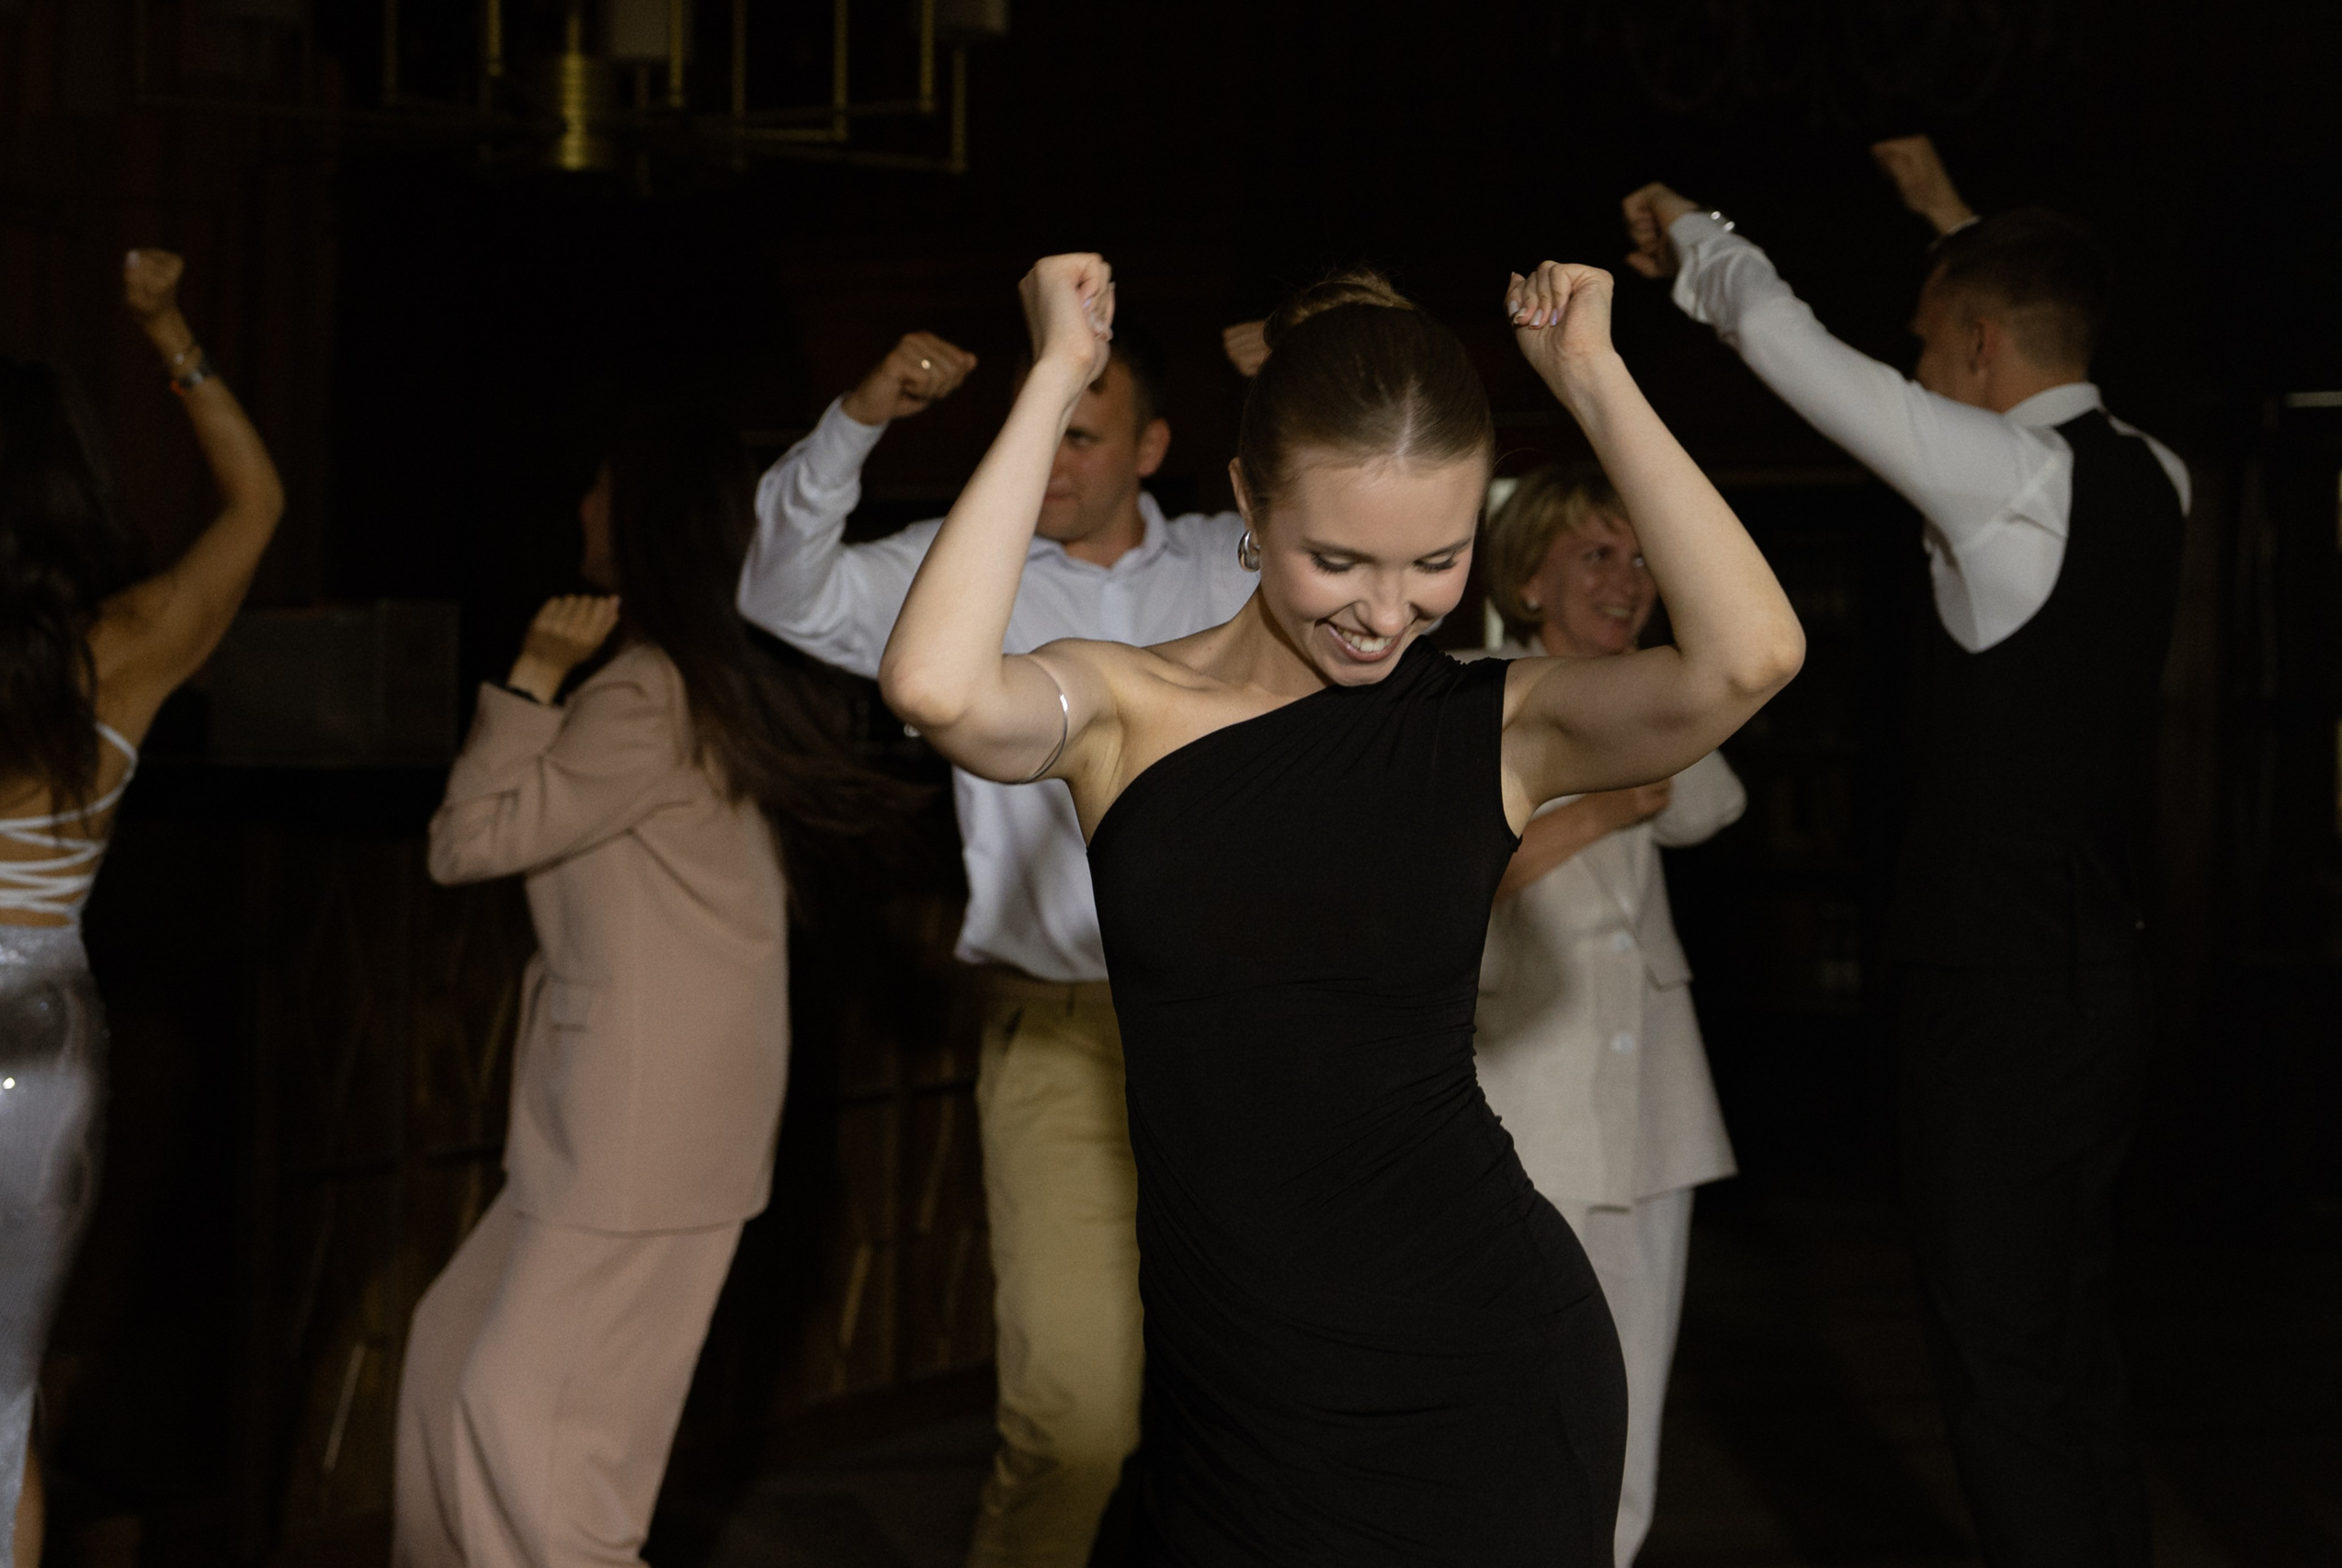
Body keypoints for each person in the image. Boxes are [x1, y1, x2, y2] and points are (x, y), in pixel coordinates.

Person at [878, 253, 1803, 1563]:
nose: (1385, 612)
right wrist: (1053, 379)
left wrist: (1594, 379)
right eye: (1337, 559)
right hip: (1235, 1389)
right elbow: (933, 684)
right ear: (1249, 501)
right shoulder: (1125, 706)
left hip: (1482, 1363)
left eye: (1436, 560)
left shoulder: (1497, 725)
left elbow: (1750, 656)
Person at [1621, 137, 2188, 1568]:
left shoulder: (2006, 475)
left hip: (1994, 994)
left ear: (1985, 347)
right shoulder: (2156, 475)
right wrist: (1952, 223)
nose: (1921, 372)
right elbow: (2036, 290)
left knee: (1997, 1364)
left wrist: (1699, 232)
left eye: (1934, 344)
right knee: (2067, 1345)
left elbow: (1778, 335)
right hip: (2100, 976)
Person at [738, 324, 1256, 1565]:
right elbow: (780, 585)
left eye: (1083, 432)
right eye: (1041, 429)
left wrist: (1305, 357)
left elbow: (1360, 540)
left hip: (1243, 1045)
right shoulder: (966, 576)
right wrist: (861, 413)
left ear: (1153, 448)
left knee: (1256, 1409)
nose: (1053, 458)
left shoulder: (1232, 570)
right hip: (1059, 1037)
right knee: (1072, 1417)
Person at [395, 411, 913, 1568]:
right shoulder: (684, 683)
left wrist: (529, 675)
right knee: (448, 1356)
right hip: (621, 1118)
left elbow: (464, 839)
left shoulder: (641, 697)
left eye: (598, 488)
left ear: (644, 519)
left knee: (538, 1447)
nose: (581, 506)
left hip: (642, 1130)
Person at [0, 252, 286, 1568]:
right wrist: (171, 332)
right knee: (0, 1403)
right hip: (37, 1047)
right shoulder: (131, 640)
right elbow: (260, 499)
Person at [1470, 467, 1745, 1566]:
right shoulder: (1472, 693)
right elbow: (1456, 873)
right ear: (1527, 577)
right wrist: (1609, 797)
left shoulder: (1652, 692)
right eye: (1597, 556)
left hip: (1653, 1104)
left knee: (1631, 1398)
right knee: (1516, 1397)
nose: (1627, 581)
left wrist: (1638, 686)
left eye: (1641, 560)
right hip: (1526, 1094)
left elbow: (1710, 804)